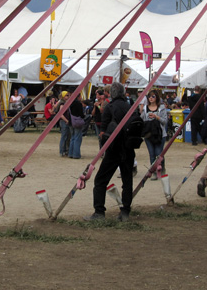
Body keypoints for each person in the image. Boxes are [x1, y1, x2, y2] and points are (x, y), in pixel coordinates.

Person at [84, 82, 134, 222]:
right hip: (128, 149)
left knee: (100, 180)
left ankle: (99, 212)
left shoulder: (110, 107)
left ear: (111, 94)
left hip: (114, 150)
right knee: (127, 181)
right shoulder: (130, 107)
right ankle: (125, 212)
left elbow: (103, 132)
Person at [141, 89, 168, 180]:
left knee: (158, 153)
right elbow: (142, 120)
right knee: (152, 154)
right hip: (148, 134)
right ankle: (154, 172)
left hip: (159, 134)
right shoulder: (145, 108)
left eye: (153, 96)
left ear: (157, 98)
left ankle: (161, 167)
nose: (151, 98)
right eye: (149, 96)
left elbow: (165, 121)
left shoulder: (162, 108)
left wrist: (156, 117)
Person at [54, 91, 71, 157]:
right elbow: (61, 114)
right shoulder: (62, 103)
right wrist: (66, 120)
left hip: (64, 121)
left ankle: (65, 150)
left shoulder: (62, 102)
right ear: (64, 96)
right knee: (64, 136)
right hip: (64, 121)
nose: (68, 97)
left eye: (68, 95)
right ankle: (62, 151)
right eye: (67, 95)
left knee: (66, 136)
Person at [68, 93, 85, 159]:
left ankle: (70, 153)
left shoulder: (70, 102)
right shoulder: (78, 104)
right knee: (77, 138)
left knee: (72, 138)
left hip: (71, 121)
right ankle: (76, 154)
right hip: (77, 121)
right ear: (78, 96)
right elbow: (81, 114)